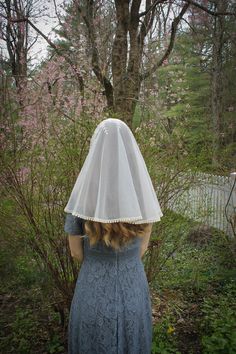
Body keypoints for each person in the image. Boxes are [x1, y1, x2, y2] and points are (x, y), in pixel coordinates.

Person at [64, 118, 163, 354]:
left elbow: (75, 252)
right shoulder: (141, 191)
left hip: (93, 288)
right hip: (132, 287)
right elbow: (142, 248)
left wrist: (99, 257)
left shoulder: (83, 193)